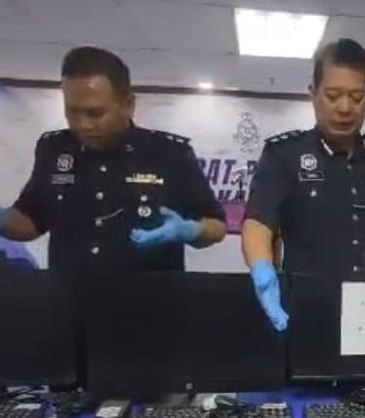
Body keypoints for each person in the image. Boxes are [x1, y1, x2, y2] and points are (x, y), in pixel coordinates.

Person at [242, 39, 365, 331]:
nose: (345, 108)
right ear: (313, 94)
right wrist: (261, 268)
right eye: (333, 95)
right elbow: (258, 222)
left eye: (356, 97)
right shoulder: (285, 154)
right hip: (311, 310)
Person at [0, 47, 226, 274]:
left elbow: (216, 225)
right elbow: (31, 220)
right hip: (70, 291)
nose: (83, 124)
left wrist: (190, 231)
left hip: (151, 292)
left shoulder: (169, 153)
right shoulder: (55, 148)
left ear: (128, 105)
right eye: (73, 112)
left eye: (96, 113)